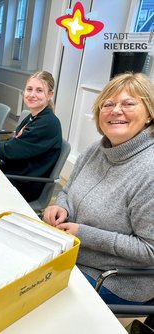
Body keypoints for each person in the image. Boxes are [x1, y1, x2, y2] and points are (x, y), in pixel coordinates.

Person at [43, 72, 154, 304]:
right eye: (108, 104)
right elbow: (66, 192)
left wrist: (82, 233)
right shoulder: (96, 150)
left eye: (128, 103)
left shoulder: (149, 171)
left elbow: (149, 250)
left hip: (114, 278)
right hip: (70, 253)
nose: (115, 110)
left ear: (149, 115)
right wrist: (60, 206)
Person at [0, 71, 62, 201]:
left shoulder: (47, 123)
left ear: (50, 95)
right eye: (29, 89)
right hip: (14, 173)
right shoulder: (34, 116)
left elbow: (11, 150)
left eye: (39, 90)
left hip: (23, 183)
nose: (32, 94)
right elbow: (14, 143)